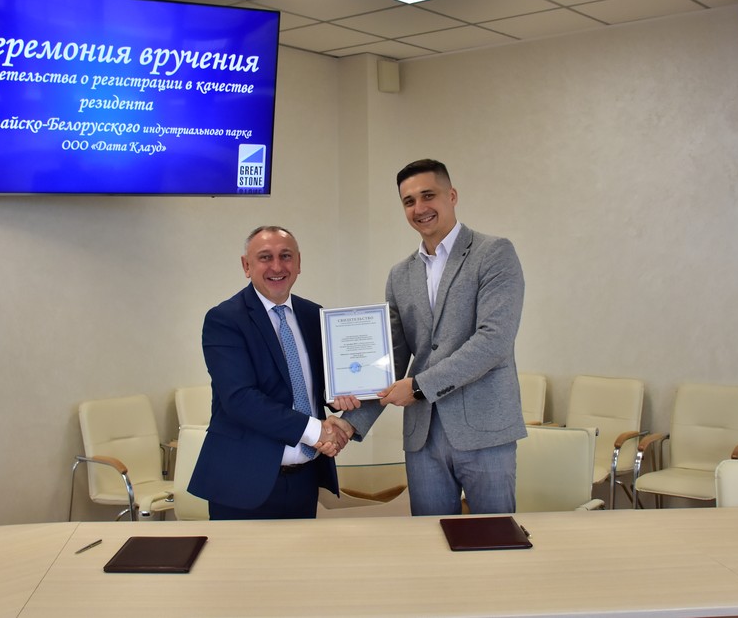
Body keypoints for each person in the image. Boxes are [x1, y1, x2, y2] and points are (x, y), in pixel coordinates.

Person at [337, 159, 527, 516]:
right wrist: (349, 421)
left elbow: (494, 341)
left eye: (428, 195)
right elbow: (391, 358)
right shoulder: (399, 275)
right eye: (409, 201)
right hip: (422, 436)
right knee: (428, 539)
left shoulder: (494, 253)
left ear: (451, 195)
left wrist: (419, 386)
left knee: (495, 539)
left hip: (485, 430)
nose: (419, 208)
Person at [187, 226, 356, 520]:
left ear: (299, 263)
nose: (277, 267)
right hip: (243, 482)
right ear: (246, 266)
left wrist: (342, 394)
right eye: (265, 257)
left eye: (285, 256)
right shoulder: (224, 319)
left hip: (304, 479)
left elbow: (316, 385)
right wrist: (316, 430)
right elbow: (239, 399)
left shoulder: (314, 315)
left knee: (302, 552)